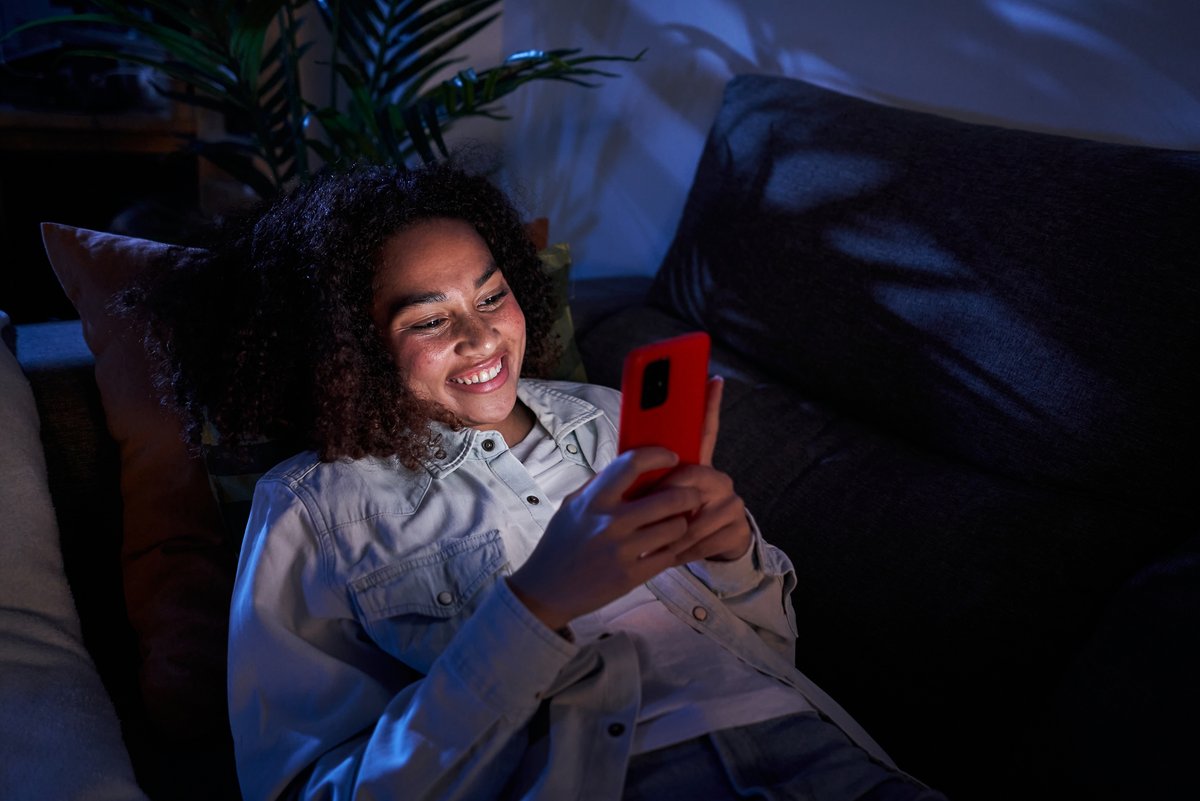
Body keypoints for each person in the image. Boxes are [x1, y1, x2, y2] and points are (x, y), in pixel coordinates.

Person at [130, 160, 946, 801]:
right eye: (430, 319)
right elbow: (312, 787)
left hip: (823, 753)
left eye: (493, 295)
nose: (483, 336)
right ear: (351, 348)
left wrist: (733, 555)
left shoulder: (610, 416)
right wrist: (535, 606)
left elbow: (766, 650)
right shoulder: (313, 510)